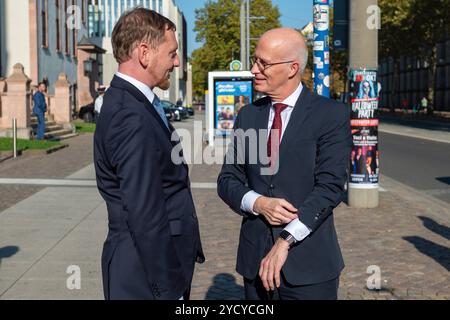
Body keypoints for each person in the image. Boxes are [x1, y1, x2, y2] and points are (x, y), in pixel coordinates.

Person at [217, 28, 352, 300]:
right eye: (255, 61)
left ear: (292, 68)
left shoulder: (330, 115)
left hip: (310, 268)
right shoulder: (248, 116)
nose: (254, 69)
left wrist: (285, 240)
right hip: (254, 263)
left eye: (263, 63)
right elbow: (227, 179)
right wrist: (257, 202)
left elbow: (330, 187)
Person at [93, 8, 204, 300]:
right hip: (145, 276)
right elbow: (144, 212)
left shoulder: (135, 103)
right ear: (144, 53)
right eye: (172, 53)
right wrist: (170, 290)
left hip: (147, 269)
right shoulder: (130, 114)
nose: (177, 62)